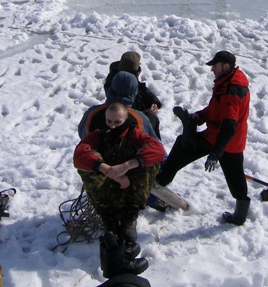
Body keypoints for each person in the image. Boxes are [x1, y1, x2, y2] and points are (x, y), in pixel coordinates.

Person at [156, 50, 251, 226]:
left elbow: (229, 125)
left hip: (224, 140)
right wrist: (200, 116)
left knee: (185, 147)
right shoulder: (226, 82)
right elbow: (216, 109)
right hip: (222, 138)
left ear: (226, 66)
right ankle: (240, 216)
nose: (211, 70)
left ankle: (160, 181)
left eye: (214, 66)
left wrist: (216, 153)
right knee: (233, 174)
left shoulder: (232, 90)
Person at [74, 102, 165, 277]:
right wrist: (108, 170)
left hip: (131, 185)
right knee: (86, 167)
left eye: (117, 122)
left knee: (148, 163)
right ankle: (109, 221)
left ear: (125, 119)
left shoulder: (135, 134)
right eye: (109, 121)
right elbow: (80, 153)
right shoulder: (98, 136)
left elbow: (157, 150)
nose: (112, 126)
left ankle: (130, 217)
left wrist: (126, 166)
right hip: (108, 186)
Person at [79, 71, 158, 139]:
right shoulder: (140, 119)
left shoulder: (92, 113)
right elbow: (153, 144)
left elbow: (82, 133)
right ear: (134, 92)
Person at [103, 52, 163, 139]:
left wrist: (153, 101)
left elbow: (142, 89)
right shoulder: (118, 81)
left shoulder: (122, 77)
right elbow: (125, 102)